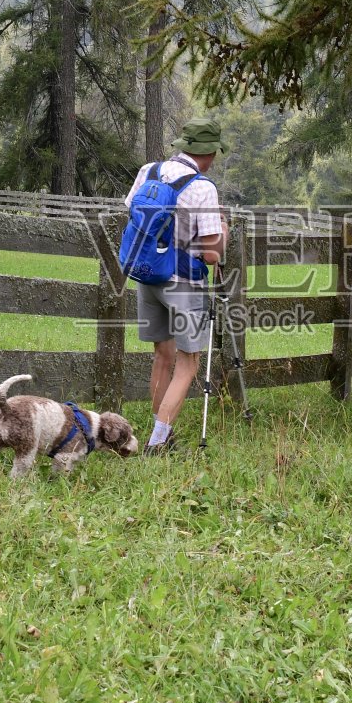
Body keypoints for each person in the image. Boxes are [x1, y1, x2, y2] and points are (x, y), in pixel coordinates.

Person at [124, 116, 228, 454]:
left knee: (162, 355)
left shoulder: (149, 171)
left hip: (147, 274)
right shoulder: (202, 187)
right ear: (208, 153)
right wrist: (224, 230)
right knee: (188, 362)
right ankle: (157, 442)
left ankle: (160, 433)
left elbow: (132, 213)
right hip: (184, 283)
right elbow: (211, 254)